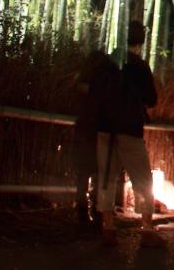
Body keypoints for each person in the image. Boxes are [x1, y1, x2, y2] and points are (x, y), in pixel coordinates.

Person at [95, 21, 165, 248]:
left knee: (106, 178)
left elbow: (94, 91)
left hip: (104, 127)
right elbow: (151, 99)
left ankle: (107, 227)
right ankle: (147, 229)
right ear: (141, 42)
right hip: (129, 129)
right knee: (142, 178)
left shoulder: (107, 63)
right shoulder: (140, 66)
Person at [71, 49, 116, 226]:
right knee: (98, 171)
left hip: (84, 129)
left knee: (83, 172)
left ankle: (82, 210)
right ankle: (97, 210)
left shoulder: (82, 80)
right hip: (99, 130)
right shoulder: (106, 81)